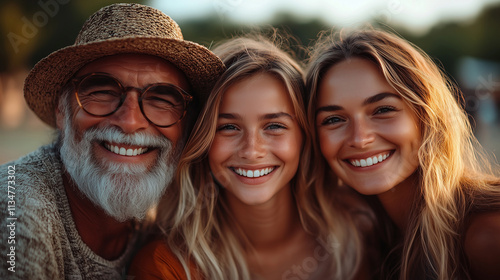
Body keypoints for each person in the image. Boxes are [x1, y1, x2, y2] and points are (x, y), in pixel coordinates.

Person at [0, 3, 224, 279]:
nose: (130, 122)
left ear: (187, 124)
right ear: (62, 110)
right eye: (102, 91)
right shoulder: (17, 212)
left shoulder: (161, 218)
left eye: (161, 99)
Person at [129, 35, 370, 279]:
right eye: (228, 127)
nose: (251, 151)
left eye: (274, 126)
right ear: (202, 139)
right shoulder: (166, 266)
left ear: (304, 137)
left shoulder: (361, 240)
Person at [306, 28, 500, 279]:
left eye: (382, 109)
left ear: (426, 115)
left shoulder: (487, 235)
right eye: (333, 119)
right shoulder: (356, 238)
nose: (360, 138)